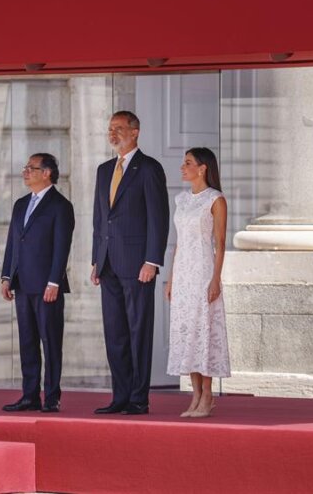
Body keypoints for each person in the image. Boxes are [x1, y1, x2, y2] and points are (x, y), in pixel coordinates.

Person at [91, 111, 169, 415]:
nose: (113, 134)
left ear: (135, 132)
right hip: (108, 264)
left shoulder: (149, 168)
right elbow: (100, 219)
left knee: (138, 332)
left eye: (119, 129)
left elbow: (157, 219)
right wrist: (96, 259)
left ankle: (138, 398)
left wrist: (152, 260)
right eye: (110, 129)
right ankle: (119, 396)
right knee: (115, 334)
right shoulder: (103, 170)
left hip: (138, 265)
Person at [1, 153, 75, 413]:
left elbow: (61, 248)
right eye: (25, 168)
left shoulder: (60, 206)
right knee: (27, 342)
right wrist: (6, 276)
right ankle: (29, 395)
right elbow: (13, 242)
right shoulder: (21, 204)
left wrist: (54, 281)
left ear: (47, 173)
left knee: (50, 341)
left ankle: (52, 396)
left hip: (47, 286)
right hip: (22, 284)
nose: (26, 172)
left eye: (32, 168)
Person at [166, 147, 230, 418]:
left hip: (203, 271)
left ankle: (208, 395)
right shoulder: (181, 200)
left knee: (203, 329)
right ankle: (194, 396)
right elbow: (179, 242)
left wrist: (216, 279)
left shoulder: (215, 199)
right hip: (183, 274)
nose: (182, 167)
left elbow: (220, 242)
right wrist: (171, 278)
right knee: (187, 332)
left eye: (188, 163)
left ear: (202, 168)